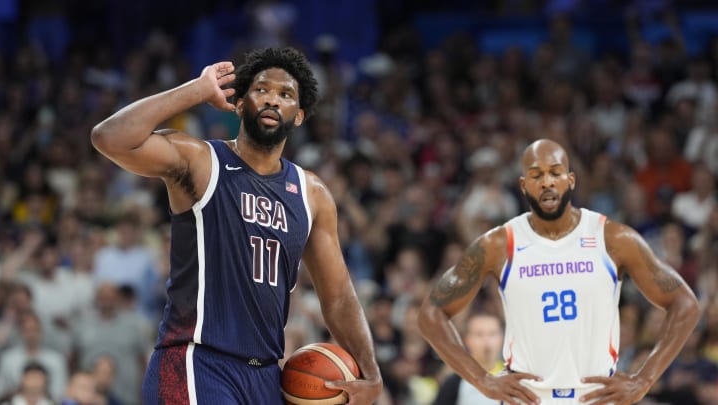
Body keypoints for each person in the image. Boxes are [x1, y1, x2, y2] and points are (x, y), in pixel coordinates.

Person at [90, 47, 382, 404]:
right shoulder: (200, 161)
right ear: (240, 104)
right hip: (196, 361)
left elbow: (337, 297)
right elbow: (109, 137)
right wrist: (195, 91)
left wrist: (372, 373)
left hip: (264, 377)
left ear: (300, 115)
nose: (272, 100)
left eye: (286, 94)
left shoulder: (312, 194)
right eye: (261, 90)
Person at [417, 138, 700, 405]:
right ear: (523, 185)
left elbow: (684, 303)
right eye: (536, 175)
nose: (547, 182)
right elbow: (431, 315)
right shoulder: (498, 244)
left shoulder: (612, 239)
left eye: (555, 172)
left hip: (596, 397)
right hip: (527, 398)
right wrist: (482, 380)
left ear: (571, 180)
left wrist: (644, 379)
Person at [432, 311, 503, 405]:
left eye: (492, 334)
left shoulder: (513, 376)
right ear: (467, 340)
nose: (487, 340)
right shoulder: (455, 382)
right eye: (479, 334)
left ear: (502, 337)